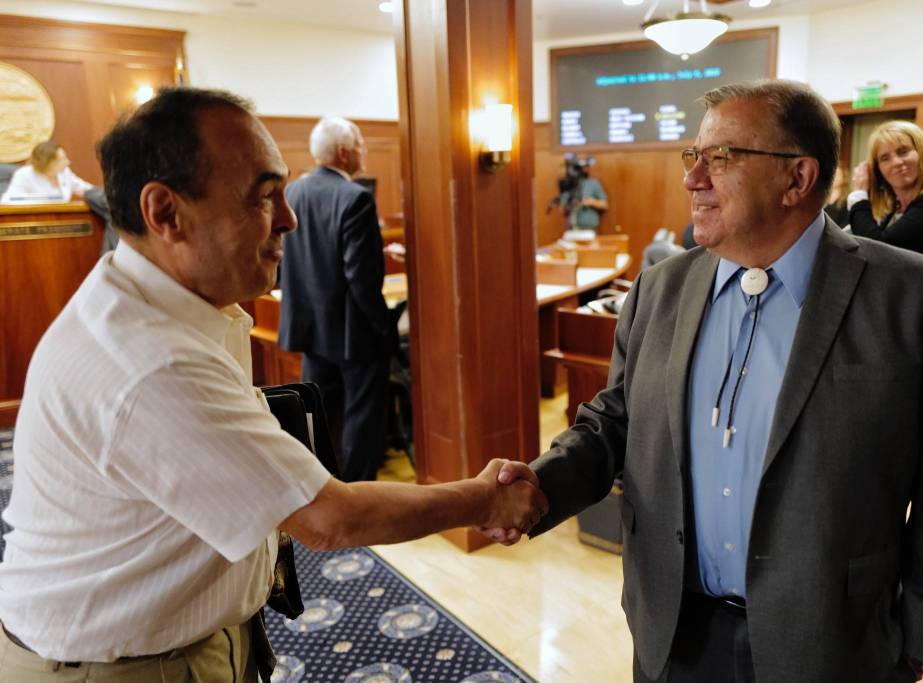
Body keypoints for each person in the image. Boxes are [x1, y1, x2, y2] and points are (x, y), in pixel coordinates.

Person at [0, 87, 547, 682]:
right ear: (165, 214)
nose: (288, 217)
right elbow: (330, 519)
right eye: (263, 197)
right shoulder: (149, 360)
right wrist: (486, 497)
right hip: (118, 666)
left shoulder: (164, 304)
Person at [489, 80, 923, 683]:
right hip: (674, 630)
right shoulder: (659, 290)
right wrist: (538, 486)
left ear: (797, 179)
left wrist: (921, 643)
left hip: (835, 645)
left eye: (721, 157)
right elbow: (616, 422)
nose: (692, 177)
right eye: (693, 156)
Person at [277, 117, 390, 482]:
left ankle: (319, 488)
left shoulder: (292, 193)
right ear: (344, 152)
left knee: (318, 414)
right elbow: (362, 278)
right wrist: (383, 326)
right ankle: (358, 492)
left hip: (309, 328)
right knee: (361, 415)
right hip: (351, 332)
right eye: (361, 145)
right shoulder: (355, 197)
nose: (364, 152)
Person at [848, 120, 923, 272]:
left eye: (903, 151)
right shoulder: (895, 210)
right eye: (885, 158)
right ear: (878, 170)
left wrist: (859, 195)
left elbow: (879, 250)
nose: (897, 162)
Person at [0, 140, 92, 203]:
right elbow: (7, 201)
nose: (68, 162)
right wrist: (43, 200)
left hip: (61, 220)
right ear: (47, 163)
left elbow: (84, 188)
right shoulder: (24, 174)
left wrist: (101, 195)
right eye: (62, 159)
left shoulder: (63, 172)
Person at [559, 157, 608, 229]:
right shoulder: (569, 184)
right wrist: (572, 204)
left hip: (590, 228)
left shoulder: (593, 183)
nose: (584, 170)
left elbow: (605, 204)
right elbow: (561, 209)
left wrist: (591, 202)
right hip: (572, 228)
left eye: (586, 167)